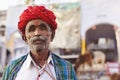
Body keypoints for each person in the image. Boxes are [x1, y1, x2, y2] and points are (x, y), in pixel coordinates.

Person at [2, 5, 77, 80]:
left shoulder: (66, 68)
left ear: (52, 35)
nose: (37, 33)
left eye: (42, 28)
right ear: (24, 38)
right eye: (31, 29)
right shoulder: (12, 68)